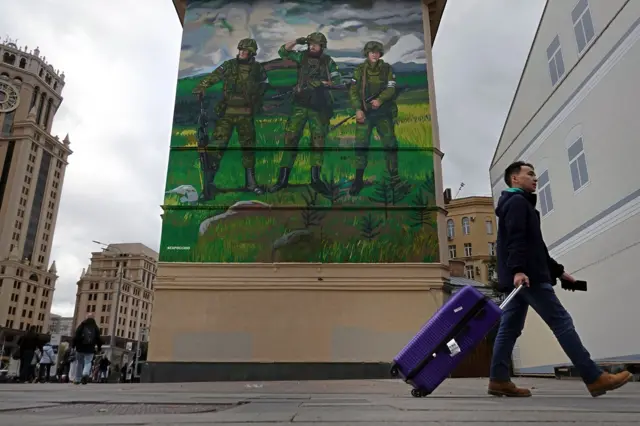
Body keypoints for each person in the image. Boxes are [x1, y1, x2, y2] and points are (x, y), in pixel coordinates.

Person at [489, 161, 632, 398]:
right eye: (530, 174)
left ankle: (498, 379)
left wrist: (559, 272)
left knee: (510, 327)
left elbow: (537, 248)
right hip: (528, 277)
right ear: (515, 179)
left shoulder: (519, 204)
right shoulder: (516, 203)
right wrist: (518, 270)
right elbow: (516, 239)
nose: (536, 178)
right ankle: (594, 377)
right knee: (561, 322)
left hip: (523, 276)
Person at [192, 38, 269, 198]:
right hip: (227, 113)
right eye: (241, 50)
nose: (242, 53)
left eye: (246, 51)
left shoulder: (257, 69)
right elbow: (214, 76)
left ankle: (251, 184)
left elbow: (264, 84)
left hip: (246, 113)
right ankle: (208, 185)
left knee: (248, 148)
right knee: (216, 148)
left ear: (252, 53)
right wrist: (201, 87)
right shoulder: (229, 66)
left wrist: (258, 99)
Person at [268, 32, 342, 194]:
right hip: (300, 106)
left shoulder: (328, 61)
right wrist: (297, 41)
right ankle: (282, 180)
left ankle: (315, 180)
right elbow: (283, 51)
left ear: (322, 46)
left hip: (319, 107)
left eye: (315, 44)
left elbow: (338, 81)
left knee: (318, 142)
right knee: (291, 140)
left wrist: (322, 83)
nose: (312, 46)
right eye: (310, 44)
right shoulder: (302, 57)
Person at [348, 41, 400, 195]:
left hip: (383, 113)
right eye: (371, 51)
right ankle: (358, 181)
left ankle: (394, 179)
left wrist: (380, 100)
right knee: (361, 145)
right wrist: (358, 109)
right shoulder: (360, 70)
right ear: (367, 53)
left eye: (377, 52)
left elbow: (391, 87)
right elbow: (353, 91)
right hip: (366, 113)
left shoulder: (386, 69)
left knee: (390, 144)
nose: (374, 54)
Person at [71, 313, 102, 385]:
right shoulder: (95, 327)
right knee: (88, 362)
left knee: (79, 363)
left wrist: (73, 345)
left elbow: (76, 336)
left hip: (80, 348)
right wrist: (99, 348)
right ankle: (85, 374)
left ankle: (77, 379)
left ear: (86, 318)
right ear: (93, 318)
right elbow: (98, 339)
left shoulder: (82, 325)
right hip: (90, 348)